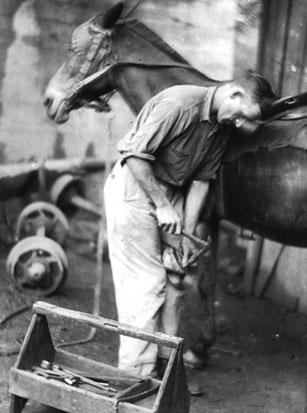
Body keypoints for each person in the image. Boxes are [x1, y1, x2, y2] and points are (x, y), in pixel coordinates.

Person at [104, 70, 276, 377]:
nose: (238, 125)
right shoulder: (180, 104)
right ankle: (134, 379)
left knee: (176, 276)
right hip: (135, 188)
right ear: (234, 94)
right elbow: (133, 155)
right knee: (144, 285)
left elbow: (200, 182)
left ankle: (163, 364)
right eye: (239, 116)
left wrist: (183, 235)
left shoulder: (222, 128)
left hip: (170, 195)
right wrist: (161, 204)